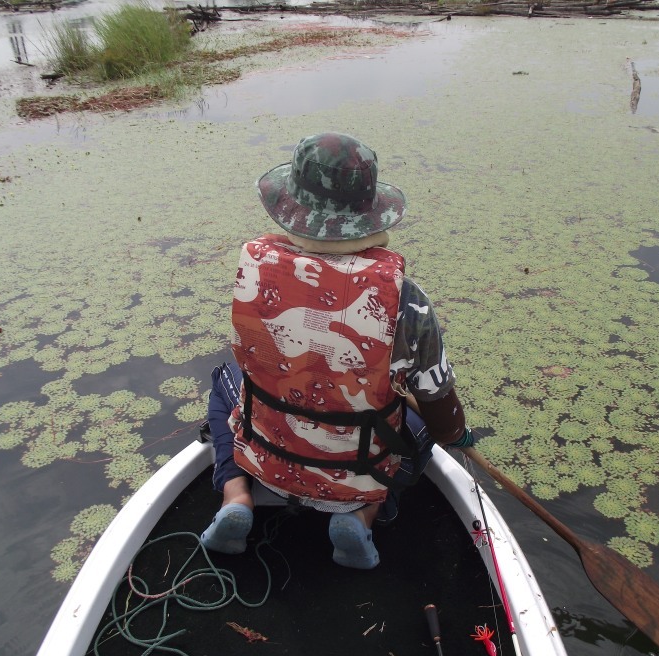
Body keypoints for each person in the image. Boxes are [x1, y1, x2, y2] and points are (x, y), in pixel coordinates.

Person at [200, 132, 474, 569]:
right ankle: (363, 516)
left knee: (224, 382)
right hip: (358, 472)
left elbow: (251, 359)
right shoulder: (407, 300)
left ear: (290, 205)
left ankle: (236, 495)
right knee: (420, 431)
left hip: (269, 458)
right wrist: (457, 433)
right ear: (371, 211)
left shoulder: (256, 269)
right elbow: (440, 413)